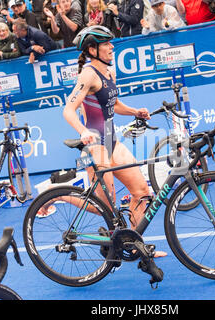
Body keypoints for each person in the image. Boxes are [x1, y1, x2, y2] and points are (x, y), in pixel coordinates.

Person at [62, 26, 167, 257]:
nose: (112, 47)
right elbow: (69, 109)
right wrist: (82, 131)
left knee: (141, 191)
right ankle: (60, 194)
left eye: (111, 43)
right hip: (95, 144)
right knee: (105, 207)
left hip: (112, 140)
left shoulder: (110, 72)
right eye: (106, 44)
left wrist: (134, 112)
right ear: (92, 49)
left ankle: (135, 243)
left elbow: (114, 103)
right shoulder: (88, 74)